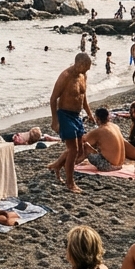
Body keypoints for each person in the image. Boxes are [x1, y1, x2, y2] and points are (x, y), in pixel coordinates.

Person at [46, 53, 94, 194]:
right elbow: (53, 99)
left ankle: (57, 166)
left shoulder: (83, 76)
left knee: (80, 150)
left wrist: (89, 113)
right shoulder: (65, 76)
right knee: (73, 150)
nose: (87, 70)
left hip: (77, 116)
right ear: (79, 63)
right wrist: (55, 120)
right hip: (64, 115)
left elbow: (83, 97)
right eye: (86, 67)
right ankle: (70, 183)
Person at [80, 107, 126, 171]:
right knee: (97, 144)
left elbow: (83, 140)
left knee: (85, 146)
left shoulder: (100, 130)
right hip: (120, 165)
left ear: (97, 119)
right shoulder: (115, 126)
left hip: (108, 166)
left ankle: (74, 162)